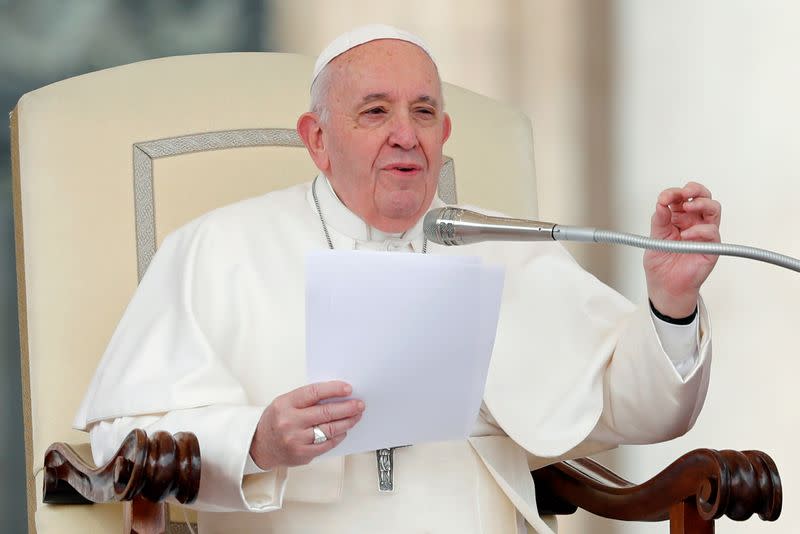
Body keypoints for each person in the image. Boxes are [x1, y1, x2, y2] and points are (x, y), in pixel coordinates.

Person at [74, 25, 721, 533]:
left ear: (445, 133)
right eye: (376, 112)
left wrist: (671, 300)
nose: (405, 136)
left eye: (423, 112)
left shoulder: (504, 246)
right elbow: (121, 439)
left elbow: (640, 409)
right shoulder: (217, 248)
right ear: (318, 139)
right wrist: (257, 440)